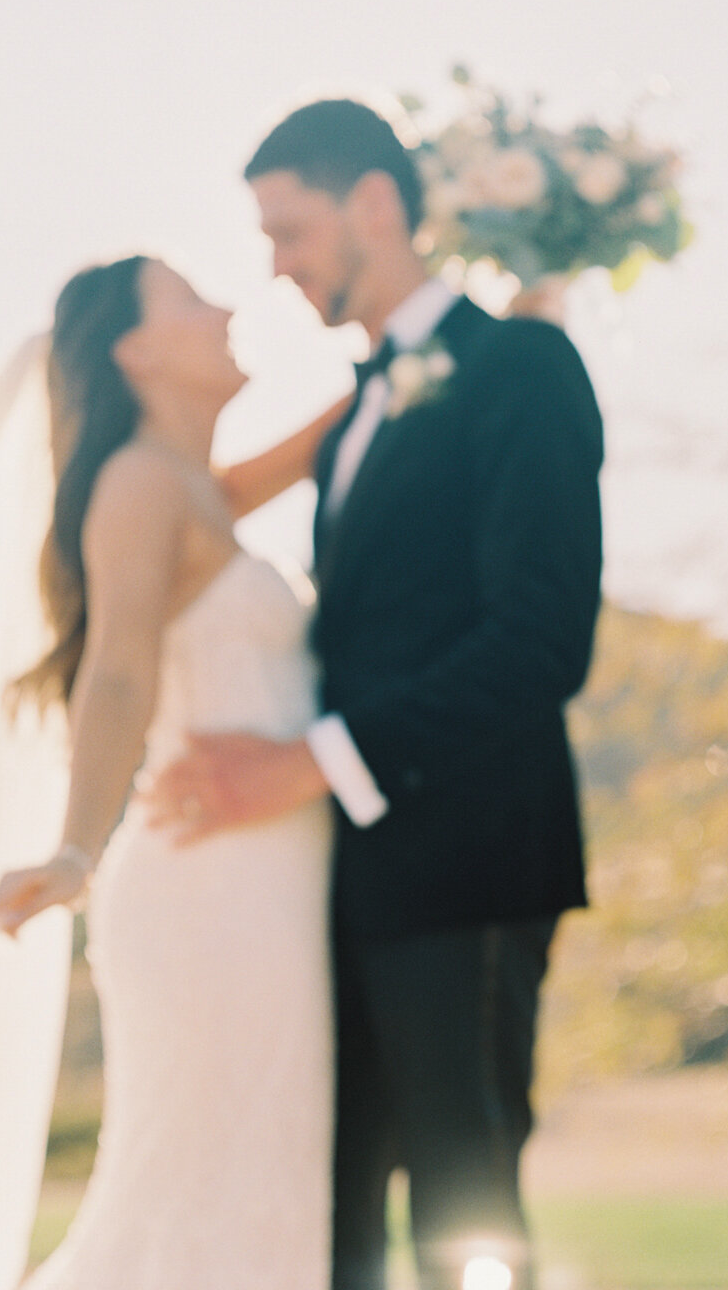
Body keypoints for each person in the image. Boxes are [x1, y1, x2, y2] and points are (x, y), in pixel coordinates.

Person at [149, 100, 605, 1290]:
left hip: (470, 866)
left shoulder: (522, 365)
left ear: (375, 205)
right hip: (339, 878)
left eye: (288, 231)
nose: (275, 269)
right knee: (327, 1212)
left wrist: (303, 762)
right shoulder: (357, 404)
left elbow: (540, 639)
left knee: (466, 1209)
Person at [0, 253, 345, 1290]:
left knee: (255, 1183)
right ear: (135, 349)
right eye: (192, 299)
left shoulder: (201, 490)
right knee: (204, 1192)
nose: (227, 309)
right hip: (208, 891)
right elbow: (117, 671)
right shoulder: (139, 484)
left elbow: (353, 416)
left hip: (261, 884)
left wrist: (527, 291)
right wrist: (74, 847)